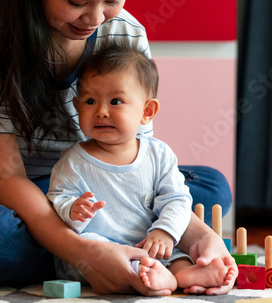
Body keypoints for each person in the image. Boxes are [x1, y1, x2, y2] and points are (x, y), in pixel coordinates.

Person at [0, 0, 236, 296]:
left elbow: (138, 164)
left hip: (78, 194)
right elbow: (3, 179)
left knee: (210, 189)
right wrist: (84, 253)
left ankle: (106, 250)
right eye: (77, 2)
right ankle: (110, 253)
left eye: (113, 0)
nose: (96, 19)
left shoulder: (125, 35)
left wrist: (199, 237)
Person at [47, 42, 235, 294]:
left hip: (150, 243)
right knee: (89, 244)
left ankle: (184, 271)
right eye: (90, 101)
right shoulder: (72, 161)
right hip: (102, 250)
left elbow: (177, 199)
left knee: (175, 246)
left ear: (147, 111)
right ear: (77, 105)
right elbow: (57, 198)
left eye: (115, 101)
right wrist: (72, 209)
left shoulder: (158, 155)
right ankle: (154, 276)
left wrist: (164, 231)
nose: (101, 112)